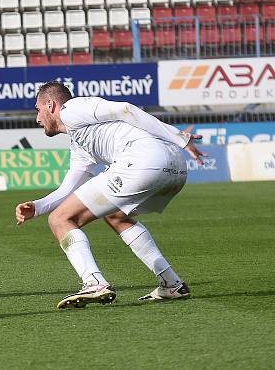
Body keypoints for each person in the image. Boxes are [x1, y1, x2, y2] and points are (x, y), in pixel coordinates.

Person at [15, 81, 205, 309]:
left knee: (59, 220)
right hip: (174, 167)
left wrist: (179, 137)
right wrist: (38, 206)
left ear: (51, 105)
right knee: (115, 215)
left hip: (145, 161)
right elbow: (69, 188)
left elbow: (126, 109)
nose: (37, 118)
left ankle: (94, 283)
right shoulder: (79, 142)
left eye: (38, 110)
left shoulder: (72, 109)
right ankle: (171, 283)